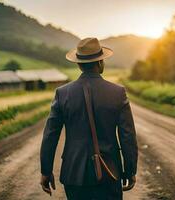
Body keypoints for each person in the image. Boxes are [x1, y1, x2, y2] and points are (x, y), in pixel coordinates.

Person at [40, 37, 138, 200]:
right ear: (100, 63)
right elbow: (127, 136)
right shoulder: (117, 93)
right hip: (109, 172)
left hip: (74, 174)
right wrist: (130, 170)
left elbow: (50, 135)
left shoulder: (62, 93)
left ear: (79, 64)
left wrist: (45, 171)